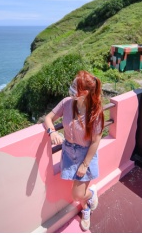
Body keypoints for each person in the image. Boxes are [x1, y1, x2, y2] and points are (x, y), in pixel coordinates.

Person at [43, 71, 103, 231]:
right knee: (78, 191)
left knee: (77, 194)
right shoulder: (67, 103)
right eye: (73, 86)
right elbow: (48, 118)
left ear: (88, 92)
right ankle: (86, 209)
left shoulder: (95, 113)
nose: (72, 91)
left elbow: (96, 141)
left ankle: (91, 193)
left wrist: (85, 164)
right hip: (69, 153)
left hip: (86, 155)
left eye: (77, 89)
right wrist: (52, 132)